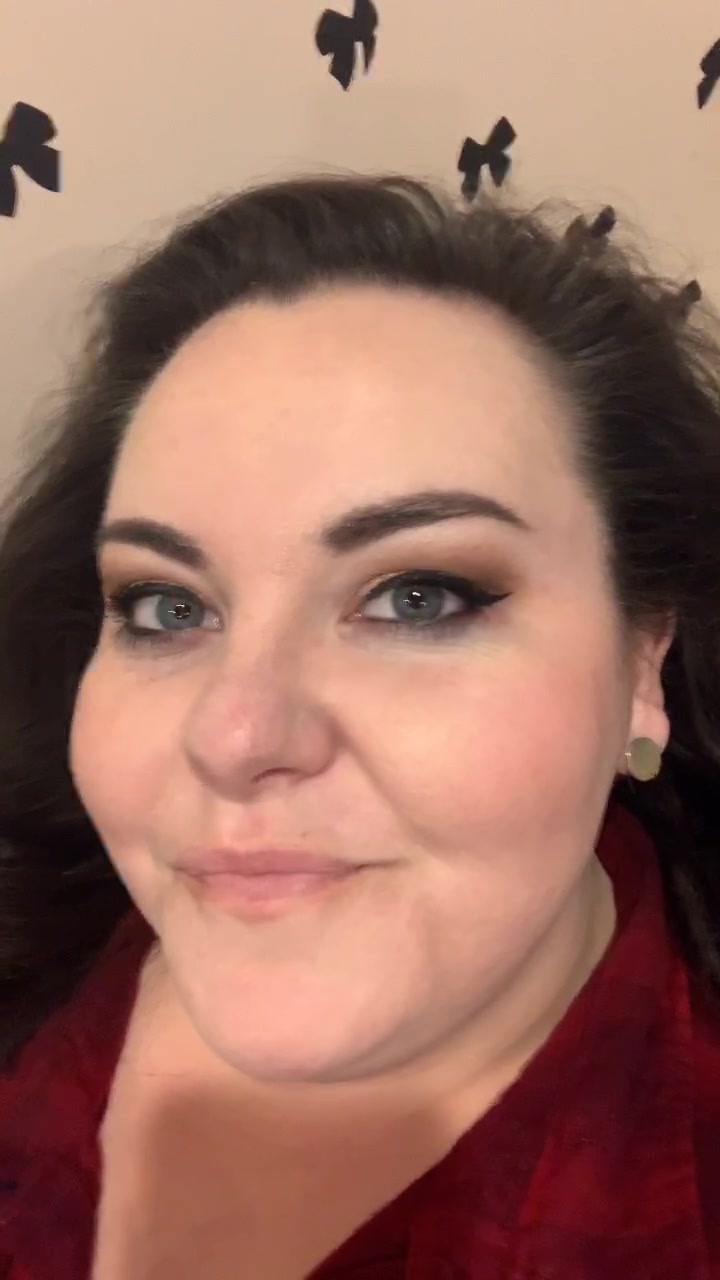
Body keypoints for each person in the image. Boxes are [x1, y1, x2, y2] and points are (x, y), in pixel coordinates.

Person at [1, 172, 720, 1280]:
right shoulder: (35, 939)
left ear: (642, 655)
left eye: (417, 597)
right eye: (165, 607)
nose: (234, 736)